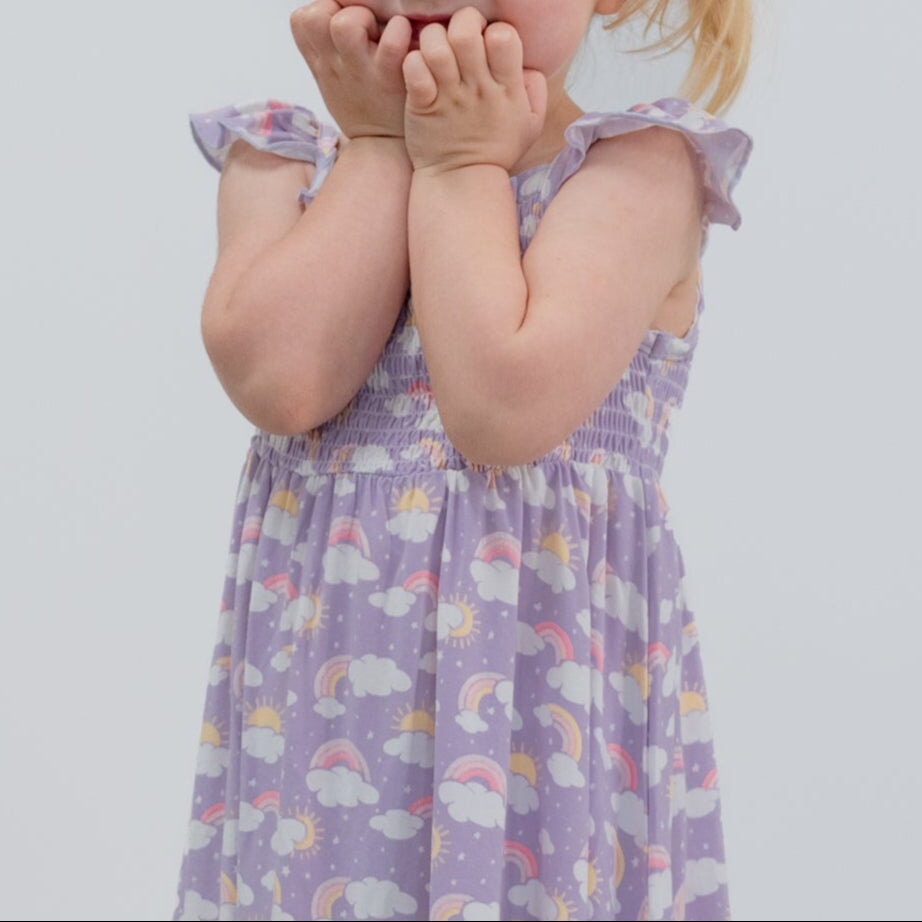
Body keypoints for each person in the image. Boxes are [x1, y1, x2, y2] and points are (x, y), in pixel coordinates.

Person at [174, 1, 753, 919]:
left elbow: (498, 404)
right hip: (319, 770)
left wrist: (460, 165)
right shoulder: (281, 166)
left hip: (532, 766)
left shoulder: (638, 173)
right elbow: (284, 383)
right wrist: (377, 144)